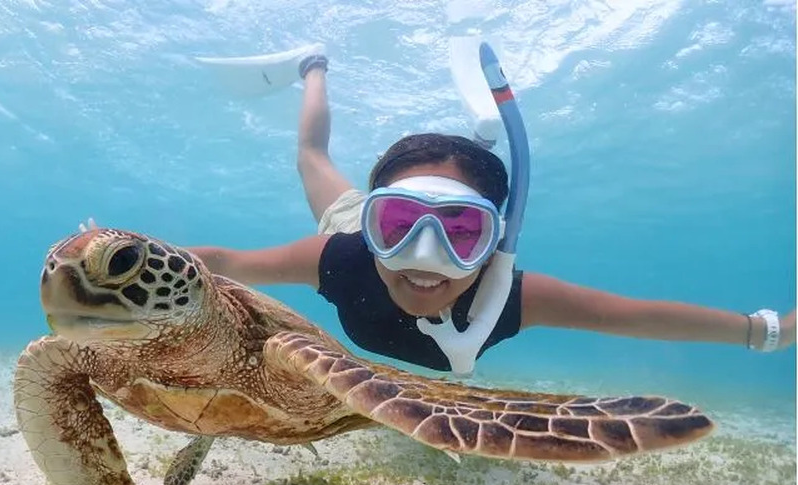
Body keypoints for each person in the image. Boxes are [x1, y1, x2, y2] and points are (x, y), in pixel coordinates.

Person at [190, 53, 796, 372]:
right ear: (376, 225)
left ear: (496, 240)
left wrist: (767, 331)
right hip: (352, 225)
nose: (426, 259)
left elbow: (635, 318)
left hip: (371, 234)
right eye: (400, 225)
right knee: (310, 156)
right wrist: (108, 260)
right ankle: (313, 67)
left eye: (460, 231)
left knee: (320, 166)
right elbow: (218, 262)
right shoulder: (341, 254)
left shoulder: (507, 295)